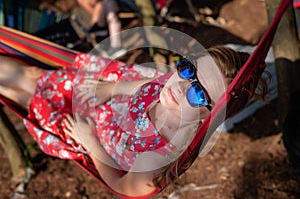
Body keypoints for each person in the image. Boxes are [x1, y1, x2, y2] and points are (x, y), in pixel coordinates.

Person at [0, 46, 268, 197]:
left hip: (92, 134)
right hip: (107, 100)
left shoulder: (159, 157)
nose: (179, 85)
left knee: (29, 101)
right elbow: (152, 83)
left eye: (198, 92)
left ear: (211, 116)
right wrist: (112, 89)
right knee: (35, 76)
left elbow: (123, 188)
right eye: (188, 69)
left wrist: (90, 143)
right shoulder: (173, 88)